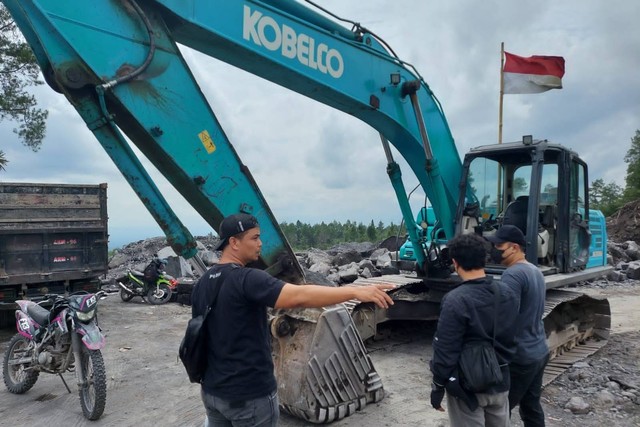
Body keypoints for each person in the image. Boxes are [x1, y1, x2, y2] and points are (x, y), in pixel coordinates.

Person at [191, 213, 395, 427]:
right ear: (233, 242)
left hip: (213, 393)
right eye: (254, 238)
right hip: (248, 396)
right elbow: (299, 296)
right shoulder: (248, 279)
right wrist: (354, 293)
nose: (260, 243)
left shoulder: (204, 283)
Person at [430, 233, 519, 427]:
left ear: (455, 262)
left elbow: (446, 349)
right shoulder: (507, 293)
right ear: (484, 259)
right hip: (501, 381)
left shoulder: (455, 300)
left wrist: (437, 386)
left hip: (468, 387)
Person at [487, 225, 550, 427]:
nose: (494, 249)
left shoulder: (513, 275)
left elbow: (505, 318)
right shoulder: (535, 270)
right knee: (531, 406)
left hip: (520, 357)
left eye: (498, 245)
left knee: (500, 410)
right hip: (539, 351)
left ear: (514, 247)